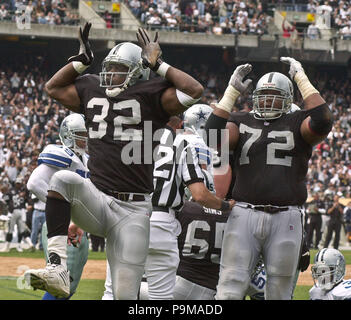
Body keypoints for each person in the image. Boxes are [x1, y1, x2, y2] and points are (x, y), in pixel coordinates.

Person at [24, 23, 204, 300]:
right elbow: (53, 87)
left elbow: (194, 91)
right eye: (110, 67)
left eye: (120, 69)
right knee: (61, 179)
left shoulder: (152, 93)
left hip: (133, 209)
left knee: (124, 296)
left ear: (138, 73)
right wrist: (80, 63)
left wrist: (159, 64)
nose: (111, 73)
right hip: (98, 198)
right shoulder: (91, 88)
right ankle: (57, 267)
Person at [205, 56, 334, 300]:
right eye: (263, 95)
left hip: (286, 214)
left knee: (280, 291)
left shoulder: (297, 121)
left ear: (288, 99)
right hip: (243, 212)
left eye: (275, 95)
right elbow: (212, 137)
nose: (268, 100)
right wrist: (231, 92)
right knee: (229, 287)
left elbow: (323, 120)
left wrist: (302, 80)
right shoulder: (241, 119)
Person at [145, 104, 234, 300]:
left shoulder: (174, 141)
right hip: (212, 290)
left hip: (157, 215)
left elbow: (196, 192)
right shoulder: (216, 150)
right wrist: (226, 206)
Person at [26, 113, 90, 300]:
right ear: (68, 135)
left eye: (85, 134)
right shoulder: (62, 154)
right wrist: (63, 211)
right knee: (62, 285)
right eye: (80, 134)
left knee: (70, 286)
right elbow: (35, 183)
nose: (84, 138)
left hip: (77, 226)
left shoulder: (85, 159)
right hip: (62, 226)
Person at [0, 177, 33, 252]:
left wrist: (8, 205)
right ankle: (25, 245)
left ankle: (7, 247)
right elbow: (28, 199)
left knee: (11, 230)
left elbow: (4, 199)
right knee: (22, 230)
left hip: (15, 211)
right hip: (22, 211)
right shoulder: (22, 191)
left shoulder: (11, 191)